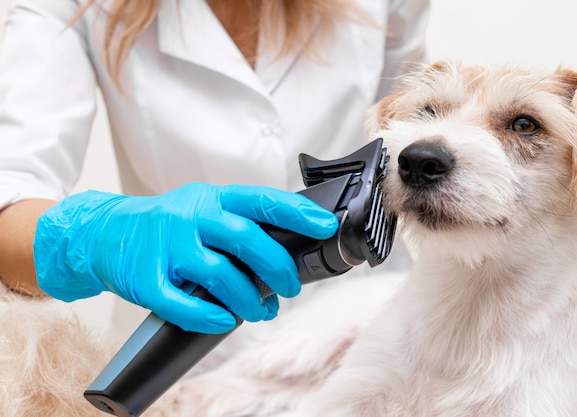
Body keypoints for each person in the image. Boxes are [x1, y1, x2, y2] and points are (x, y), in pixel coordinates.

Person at [0, 0, 429, 335]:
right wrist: (94, 236)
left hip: (366, 328)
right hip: (184, 353)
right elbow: (10, 200)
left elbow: (402, 135)